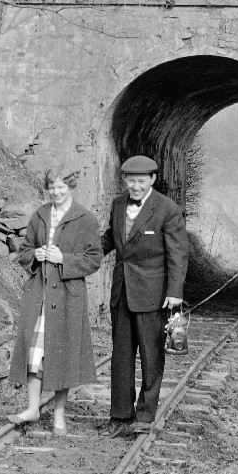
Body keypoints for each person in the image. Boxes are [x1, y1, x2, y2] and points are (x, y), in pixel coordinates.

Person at [7, 166, 103, 436]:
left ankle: (59, 415)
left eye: (61, 187)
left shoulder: (85, 219)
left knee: (63, 357)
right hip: (40, 295)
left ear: (71, 186)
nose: (56, 192)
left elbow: (94, 258)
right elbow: (23, 250)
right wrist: (33, 254)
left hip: (67, 297)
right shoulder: (40, 215)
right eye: (51, 187)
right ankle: (33, 408)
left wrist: (65, 260)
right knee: (33, 354)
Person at [98, 154, 188, 438]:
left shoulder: (167, 209)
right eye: (130, 181)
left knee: (151, 356)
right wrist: (84, 254)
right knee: (121, 355)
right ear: (123, 180)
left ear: (152, 180)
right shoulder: (117, 204)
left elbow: (178, 254)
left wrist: (174, 293)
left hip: (153, 294)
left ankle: (146, 415)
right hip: (122, 290)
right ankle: (120, 415)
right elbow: (111, 238)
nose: (135, 187)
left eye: (141, 181)